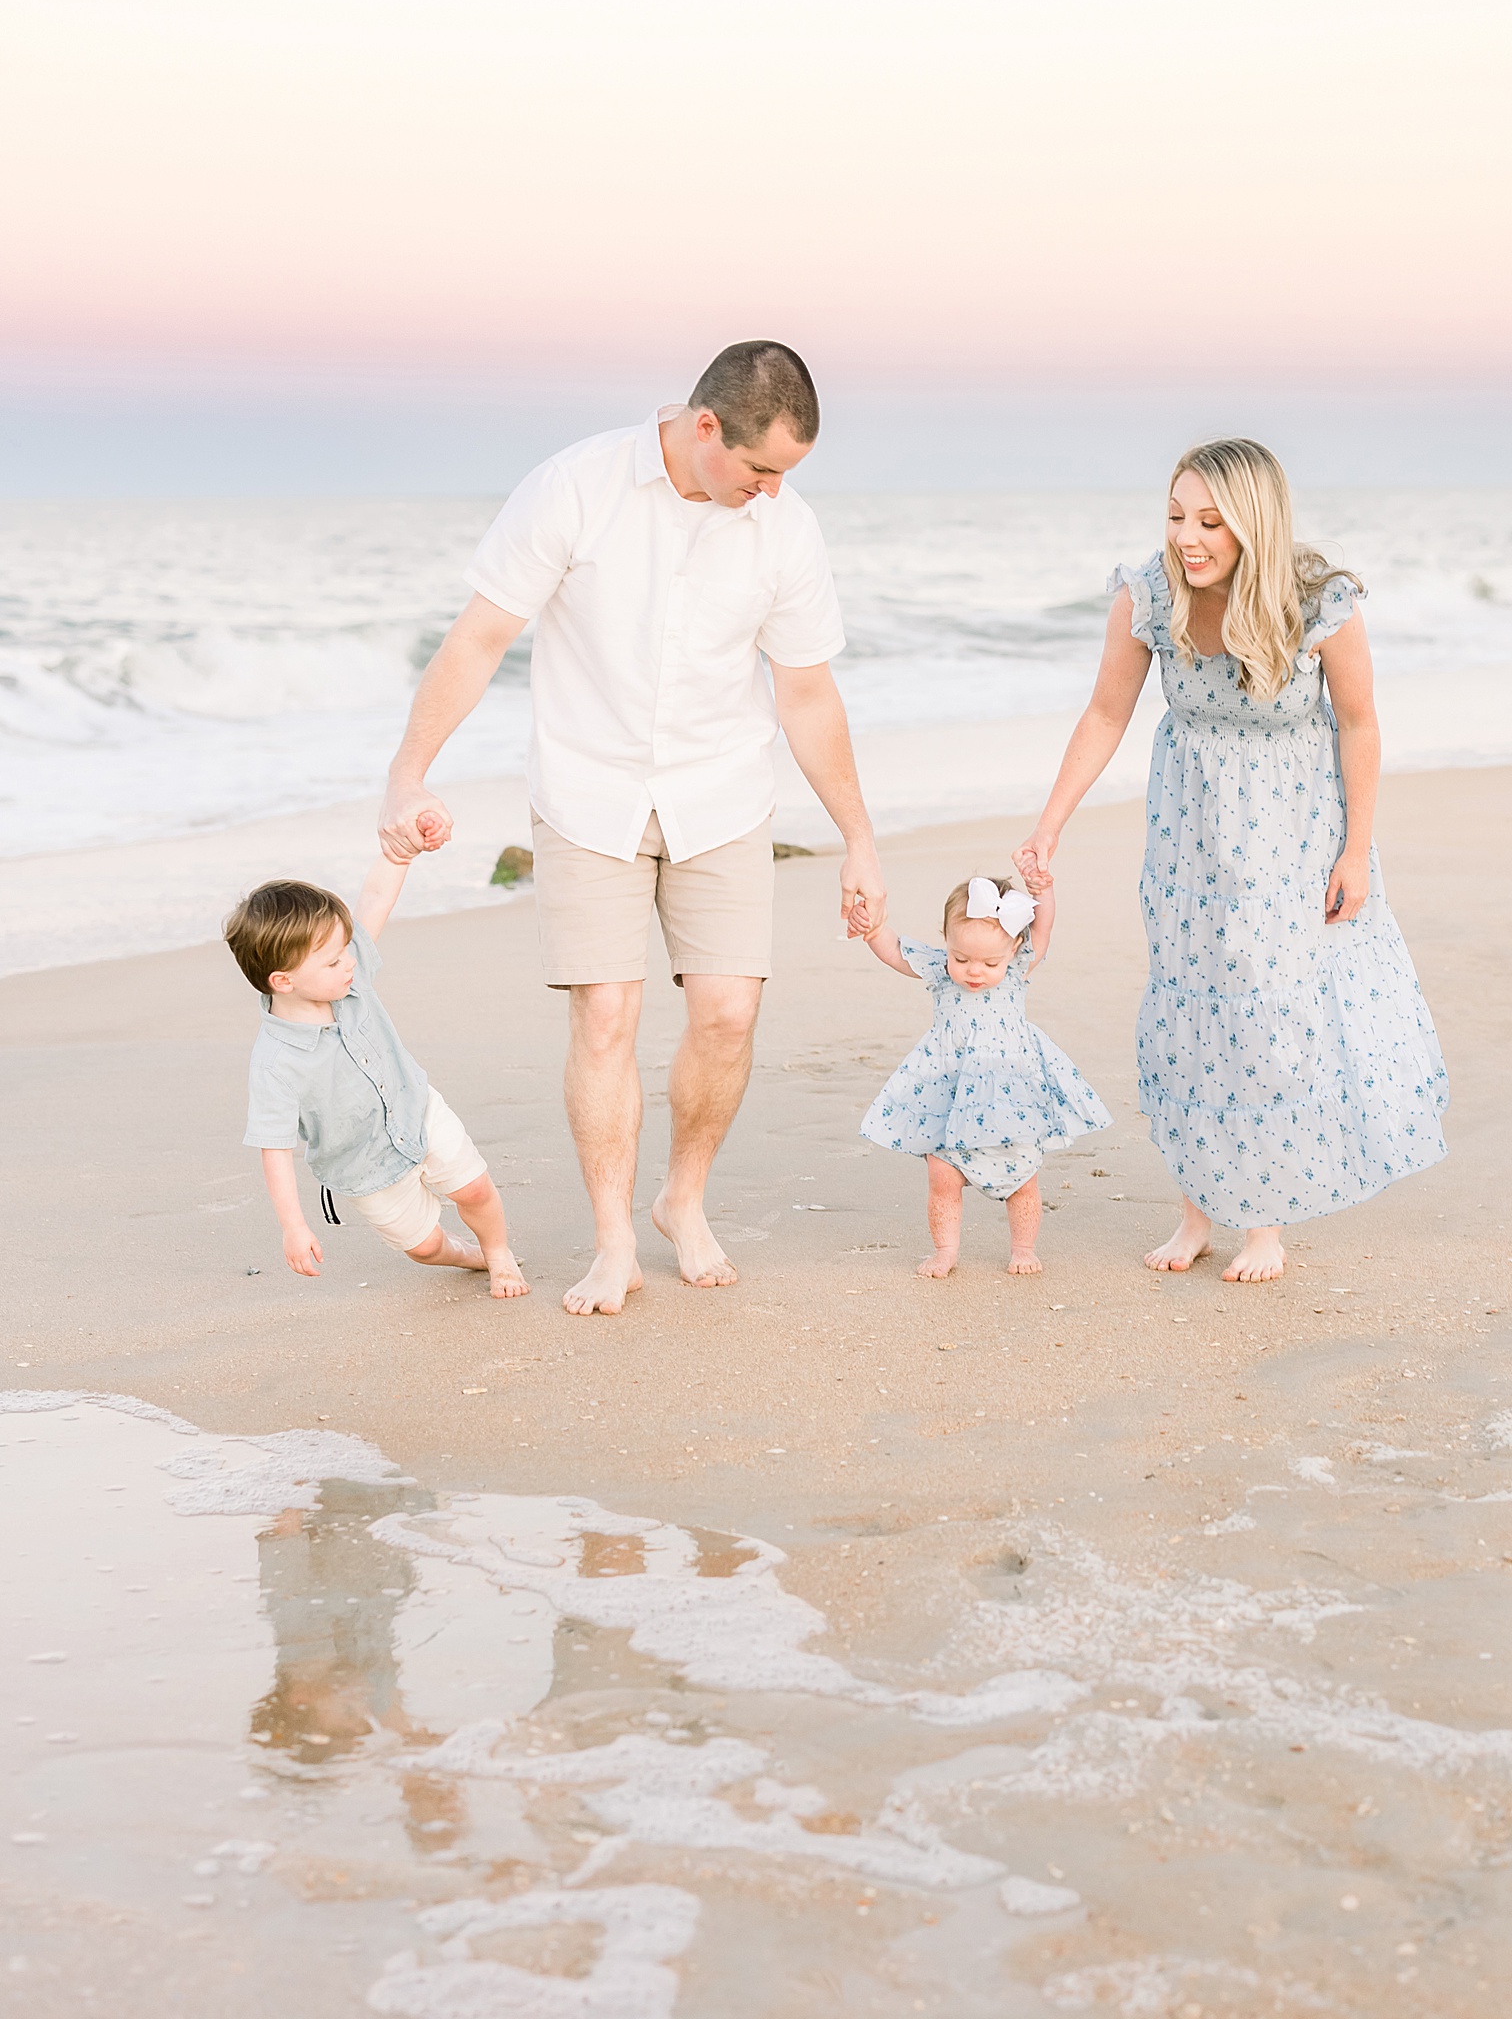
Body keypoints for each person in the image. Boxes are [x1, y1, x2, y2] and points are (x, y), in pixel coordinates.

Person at [378, 342, 881, 1317]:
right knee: (605, 1014)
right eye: (760, 468)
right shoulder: (574, 486)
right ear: (705, 429)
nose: (773, 491)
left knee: (728, 1010)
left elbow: (809, 692)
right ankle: (613, 1239)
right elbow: (480, 636)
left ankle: (680, 1199)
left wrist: (857, 836)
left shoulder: (786, 527)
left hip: (723, 790)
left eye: (787, 473)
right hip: (587, 788)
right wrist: (408, 774)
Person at [1024, 442, 1448, 1288]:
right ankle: (1197, 1211)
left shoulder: (1320, 601)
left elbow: (1360, 725)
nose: (1188, 537)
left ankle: (1263, 1221)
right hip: (1191, 833)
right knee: (1193, 1016)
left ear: (1255, 524)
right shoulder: (1147, 595)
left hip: (1294, 831)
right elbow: (1106, 714)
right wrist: (1049, 827)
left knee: (1270, 1018)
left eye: (1211, 522)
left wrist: (1355, 851)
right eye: (1177, 516)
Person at [230, 848, 528, 1300]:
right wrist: (294, 1227)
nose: (349, 962)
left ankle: (499, 1251)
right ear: (283, 981)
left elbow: (375, 897)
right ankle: (469, 1255)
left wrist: (399, 851)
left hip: (416, 1111)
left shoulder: (348, 976)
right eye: (332, 961)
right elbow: (275, 1149)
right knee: (424, 1247)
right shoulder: (276, 1064)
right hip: (362, 1163)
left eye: (346, 949)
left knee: (474, 1190)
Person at [849, 862, 1112, 1279]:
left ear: (1013, 950)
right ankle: (945, 1250)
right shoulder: (940, 971)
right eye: (961, 957)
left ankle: (1023, 1248)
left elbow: (1043, 929)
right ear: (947, 943)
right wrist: (870, 927)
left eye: (989, 963)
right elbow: (896, 949)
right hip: (949, 1098)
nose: (974, 971)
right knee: (942, 1176)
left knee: (1024, 1179)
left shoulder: (1017, 971)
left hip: (1009, 1099)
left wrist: (1041, 888)